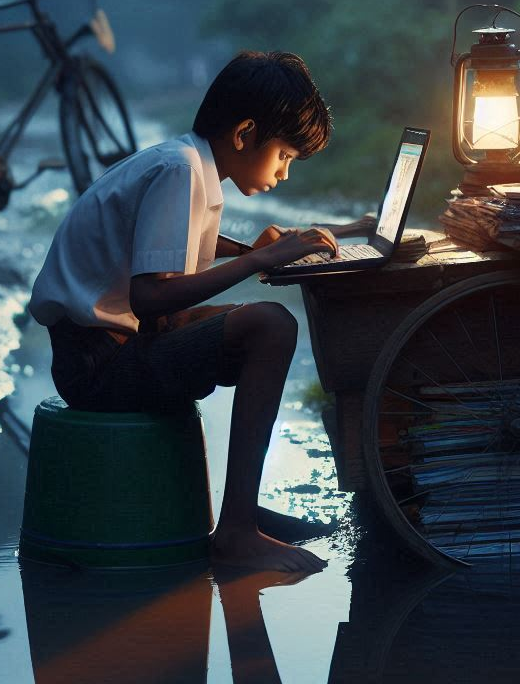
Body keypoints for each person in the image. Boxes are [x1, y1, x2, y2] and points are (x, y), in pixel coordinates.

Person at [29, 51, 366, 573]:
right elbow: (151, 296)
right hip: (98, 365)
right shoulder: (180, 171)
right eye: (284, 155)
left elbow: (164, 246)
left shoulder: (186, 163)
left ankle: (240, 510)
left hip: (105, 346)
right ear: (244, 134)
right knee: (270, 326)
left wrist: (245, 250)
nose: (283, 172)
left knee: (252, 322)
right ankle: (235, 530)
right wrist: (261, 258)